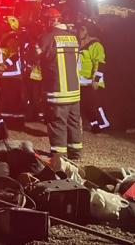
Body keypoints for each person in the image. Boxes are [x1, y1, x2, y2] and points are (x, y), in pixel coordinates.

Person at [36, 8, 83, 160]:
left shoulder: (47, 37)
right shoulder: (73, 37)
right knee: (73, 122)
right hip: (74, 91)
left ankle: (59, 156)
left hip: (57, 91)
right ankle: (75, 153)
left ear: (50, 20)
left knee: (57, 124)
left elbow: (35, 56)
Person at [76, 20, 110, 132]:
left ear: (88, 31)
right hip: (81, 81)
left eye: (82, 29)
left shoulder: (96, 45)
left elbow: (100, 63)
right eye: (79, 29)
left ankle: (104, 124)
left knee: (94, 105)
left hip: (92, 81)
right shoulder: (78, 44)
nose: (79, 32)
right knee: (84, 105)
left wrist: (96, 80)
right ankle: (94, 124)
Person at [0, 15, 26, 124]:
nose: (1, 25)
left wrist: (4, 65)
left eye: (4, 24)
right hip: (7, 75)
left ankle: (14, 122)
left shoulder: (11, 37)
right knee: (8, 100)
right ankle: (10, 121)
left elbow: (15, 55)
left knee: (11, 100)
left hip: (11, 75)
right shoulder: (6, 36)